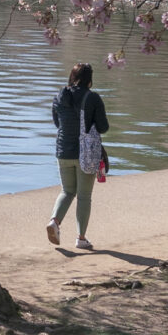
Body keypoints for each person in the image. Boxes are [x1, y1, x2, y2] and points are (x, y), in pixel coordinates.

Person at [47, 62, 108, 252]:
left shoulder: (59, 95)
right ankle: (81, 238)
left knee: (67, 191)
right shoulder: (93, 98)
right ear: (89, 79)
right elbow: (103, 127)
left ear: (72, 77)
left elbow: (58, 123)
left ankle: (54, 221)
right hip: (85, 153)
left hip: (62, 150)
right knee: (84, 196)